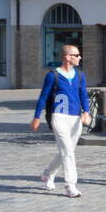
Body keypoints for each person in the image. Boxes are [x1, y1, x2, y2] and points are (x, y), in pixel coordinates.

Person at [29, 43, 91, 197]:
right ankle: (71, 186)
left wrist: (87, 112)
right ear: (67, 57)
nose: (79, 57)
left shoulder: (80, 75)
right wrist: (36, 117)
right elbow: (43, 97)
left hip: (75, 118)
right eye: (76, 55)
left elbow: (83, 94)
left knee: (66, 150)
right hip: (59, 117)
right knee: (68, 151)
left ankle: (48, 173)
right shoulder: (53, 75)